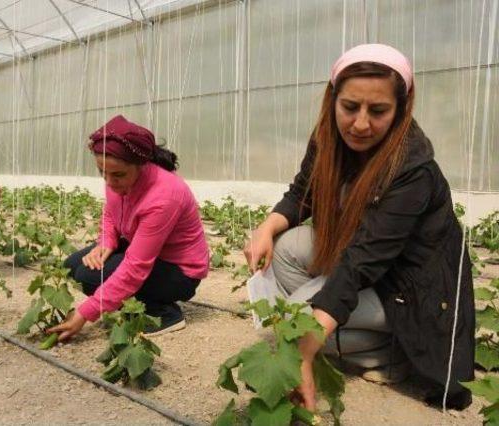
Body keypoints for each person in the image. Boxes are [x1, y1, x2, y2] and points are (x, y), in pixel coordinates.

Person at [244, 44, 474, 411]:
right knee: (286, 253)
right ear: (333, 99)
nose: (361, 124)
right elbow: (303, 191)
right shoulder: (328, 139)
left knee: (296, 323)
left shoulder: (414, 170)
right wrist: (267, 228)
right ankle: (351, 337)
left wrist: (302, 352)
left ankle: (393, 355)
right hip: (365, 264)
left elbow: (361, 262)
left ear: (401, 108)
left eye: (378, 110)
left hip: (409, 287)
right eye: (350, 107)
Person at [49, 115, 209, 339]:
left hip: (178, 271)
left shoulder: (165, 196)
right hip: (148, 252)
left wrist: (86, 313)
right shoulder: (117, 179)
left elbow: (136, 267)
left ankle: (164, 313)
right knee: (73, 266)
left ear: (143, 165)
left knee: (89, 276)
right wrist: (107, 241)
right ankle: (132, 303)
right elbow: (110, 212)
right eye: (102, 173)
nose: (109, 182)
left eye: (117, 175)